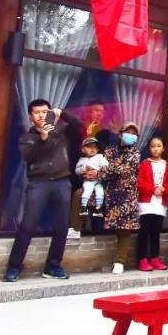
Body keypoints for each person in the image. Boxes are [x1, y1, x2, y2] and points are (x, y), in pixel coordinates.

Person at [3, 99, 82, 282]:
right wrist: (43, 139)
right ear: (31, 116)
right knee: (28, 225)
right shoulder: (27, 137)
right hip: (39, 182)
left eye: (44, 112)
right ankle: (14, 266)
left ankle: (53, 266)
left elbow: (79, 125)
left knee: (62, 226)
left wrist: (62, 112)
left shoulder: (61, 131)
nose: (41, 115)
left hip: (62, 181)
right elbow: (29, 157)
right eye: (37, 112)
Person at [68, 101, 114, 238]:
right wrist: (83, 169)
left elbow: (106, 158)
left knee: (98, 204)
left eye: (101, 111)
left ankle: (97, 233)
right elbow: (73, 154)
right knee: (78, 199)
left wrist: (98, 172)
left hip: (99, 178)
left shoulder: (105, 133)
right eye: (95, 110)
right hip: (79, 176)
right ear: (88, 112)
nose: (99, 114)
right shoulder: (78, 130)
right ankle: (76, 229)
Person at [103, 123, 142, 275]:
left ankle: (120, 261)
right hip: (112, 195)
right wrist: (112, 169)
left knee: (125, 230)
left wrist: (111, 167)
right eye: (128, 132)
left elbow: (127, 170)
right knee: (116, 229)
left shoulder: (136, 153)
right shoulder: (109, 150)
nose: (131, 135)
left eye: (134, 133)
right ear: (120, 134)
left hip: (128, 196)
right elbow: (103, 173)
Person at [137, 135, 168, 272]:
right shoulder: (145, 164)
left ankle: (155, 258)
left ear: (163, 148)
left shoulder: (167, 165)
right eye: (152, 146)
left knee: (156, 232)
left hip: (160, 204)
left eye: (158, 146)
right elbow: (140, 183)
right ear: (149, 148)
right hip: (146, 203)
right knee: (144, 231)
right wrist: (153, 189)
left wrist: (164, 188)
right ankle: (142, 259)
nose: (155, 149)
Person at [75, 137, 109, 218]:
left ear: (98, 149)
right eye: (89, 147)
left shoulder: (100, 157)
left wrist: (104, 166)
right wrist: (84, 169)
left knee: (100, 192)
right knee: (87, 190)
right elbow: (77, 171)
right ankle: (83, 207)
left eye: (95, 147)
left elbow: (104, 163)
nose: (92, 149)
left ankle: (98, 209)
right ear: (83, 150)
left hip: (98, 181)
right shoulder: (82, 160)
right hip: (88, 181)